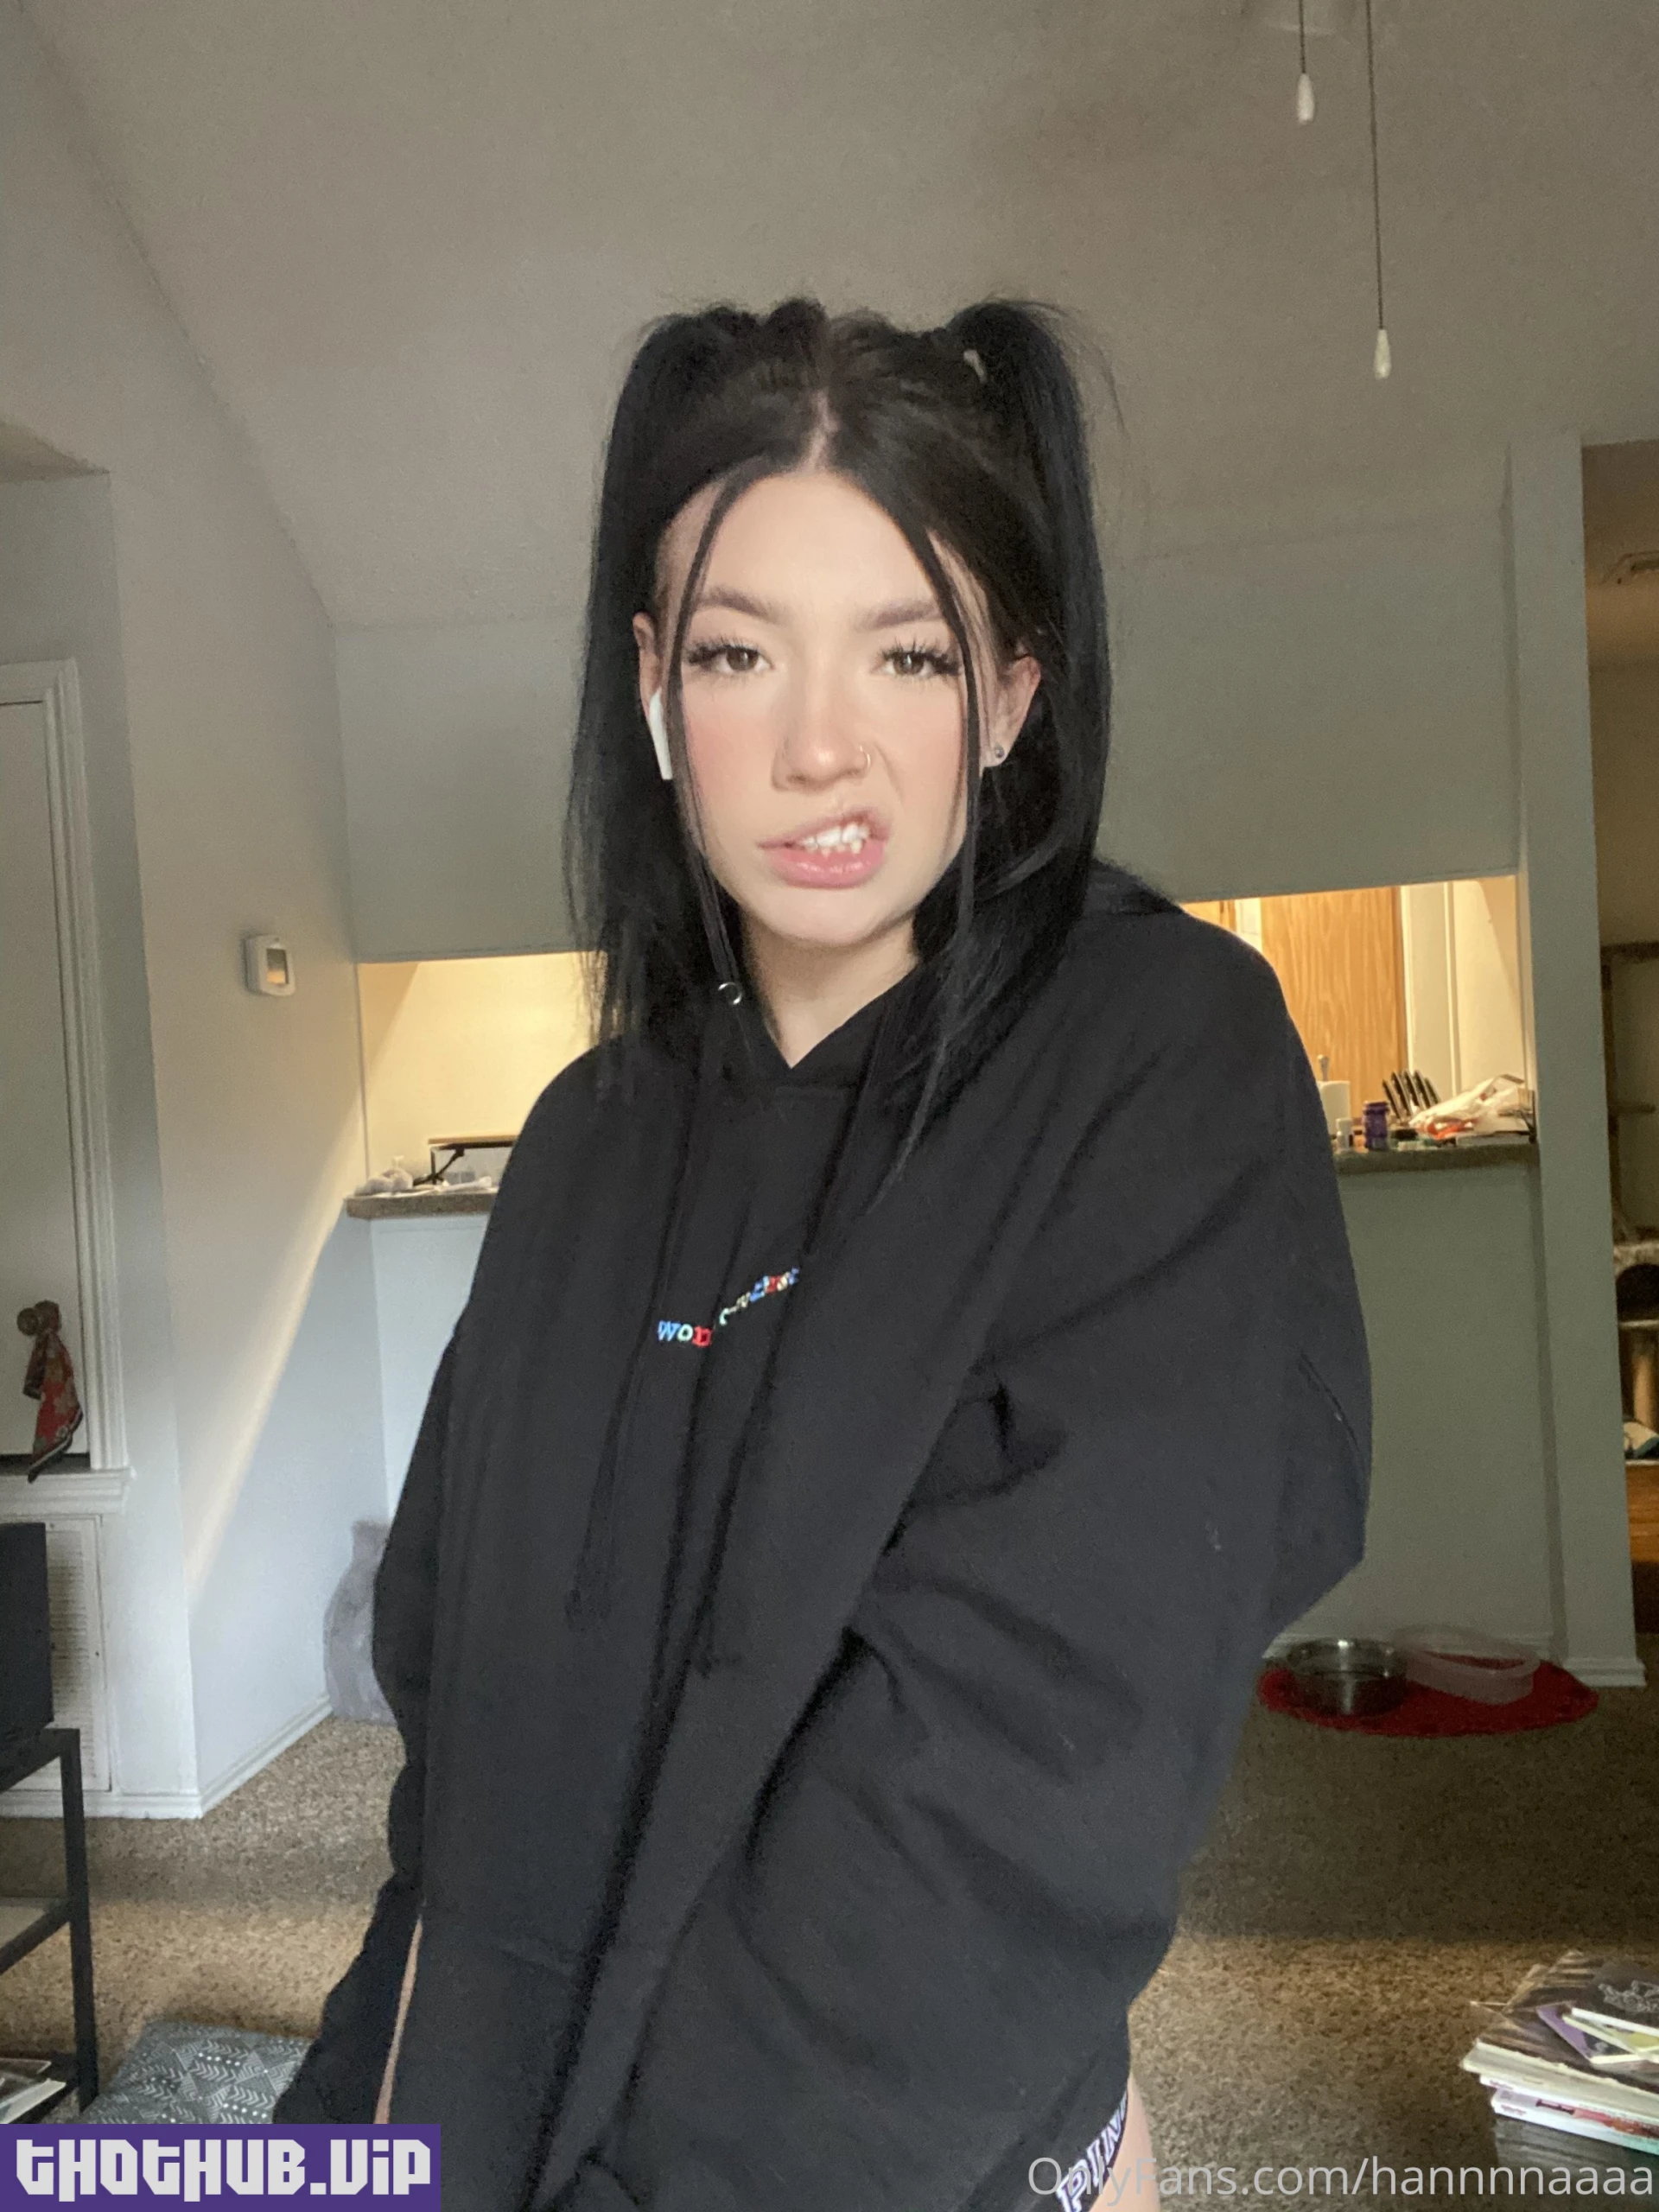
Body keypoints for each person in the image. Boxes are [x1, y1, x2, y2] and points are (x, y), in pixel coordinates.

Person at [274, 298, 1371, 2212]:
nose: (818, 747)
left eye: (908, 653)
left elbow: (1008, 1796)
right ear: (651, 684)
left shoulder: (1157, 1055)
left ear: (1012, 696)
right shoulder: (586, 1141)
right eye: (737, 652)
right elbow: (464, 1775)